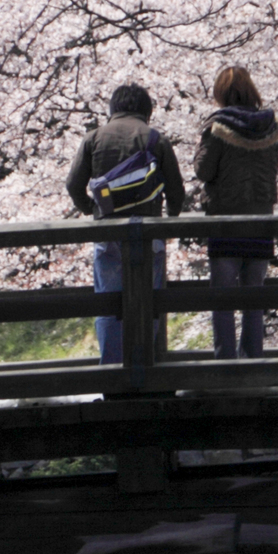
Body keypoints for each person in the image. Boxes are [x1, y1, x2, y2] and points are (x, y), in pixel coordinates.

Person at [66, 84, 185, 364]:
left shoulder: (94, 138)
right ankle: (145, 368)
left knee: (109, 304)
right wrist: (168, 223)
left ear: (112, 108)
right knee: (149, 303)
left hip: (108, 233)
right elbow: (176, 192)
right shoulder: (156, 139)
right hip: (149, 233)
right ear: (147, 110)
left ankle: (112, 371)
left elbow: (73, 185)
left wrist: (93, 210)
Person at [193, 66, 278, 359]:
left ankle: (225, 363)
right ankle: (252, 360)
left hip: (226, 222)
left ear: (221, 93)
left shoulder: (218, 127)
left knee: (222, 297)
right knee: (253, 297)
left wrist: (201, 146)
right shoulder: (271, 127)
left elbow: (203, 170)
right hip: (261, 221)